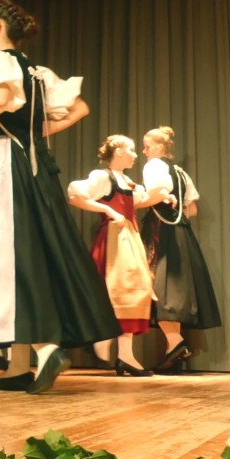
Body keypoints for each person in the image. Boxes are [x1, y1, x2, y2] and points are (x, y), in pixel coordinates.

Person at [0, 0, 120, 394]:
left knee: (7, 255)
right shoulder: (36, 71)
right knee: (27, 250)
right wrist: (30, 134)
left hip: (8, 164)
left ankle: (45, 351)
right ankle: (17, 366)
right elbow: (79, 108)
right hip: (35, 163)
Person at [68, 135, 170, 376]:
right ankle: (104, 340)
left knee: (137, 290)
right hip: (114, 239)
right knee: (116, 290)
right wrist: (107, 209)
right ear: (119, 151)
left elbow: (141, 200)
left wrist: (165, 195)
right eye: (131, 150)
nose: (135, 155)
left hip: (129, 238)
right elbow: (75, 196)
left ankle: (125, 355)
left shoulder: (128, 182)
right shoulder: (103, 177)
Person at [140, 127, 221, 370]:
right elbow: (192, 209)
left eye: (147, 146)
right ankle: (172, 350)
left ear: (159, 146)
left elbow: (155, 194)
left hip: (160, 229)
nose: (144, 151)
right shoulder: (180, 172)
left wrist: (131, 203)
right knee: (174, 290)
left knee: (159, 286)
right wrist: (176, 215)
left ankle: (176, 343)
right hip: (180, 231)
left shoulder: (154, 166)